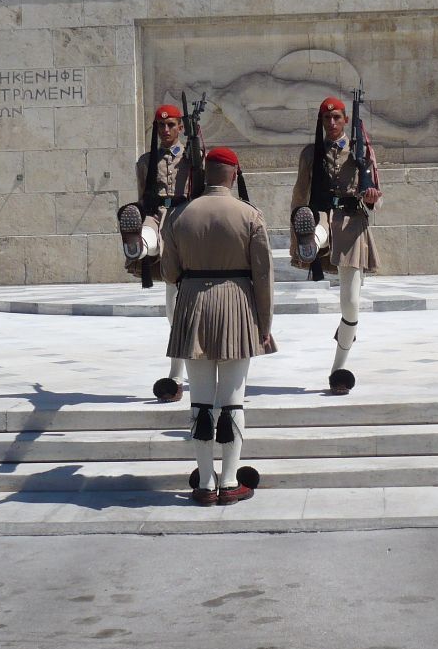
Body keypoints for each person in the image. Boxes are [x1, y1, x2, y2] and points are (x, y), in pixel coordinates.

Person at [160, 147, 276, 506]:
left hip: (193, 304)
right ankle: (229, 482)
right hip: (236, 303)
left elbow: (168, 272)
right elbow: (263, 275)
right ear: (234, 174)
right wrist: (265, 322)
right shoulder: (250, 215)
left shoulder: (179, 216)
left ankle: (205, 483)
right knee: (233, 402)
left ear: (203, 174)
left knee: (200, 402)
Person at [288, 96, 381, 396]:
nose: (332, 123)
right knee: (318, 229)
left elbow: (377, 195)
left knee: (350, 304)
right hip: (323, 215)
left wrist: (372, 198)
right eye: (327, 119)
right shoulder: (310, 153)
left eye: (337, 118)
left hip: (352, 222)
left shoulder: (361, 151)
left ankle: (338, 367)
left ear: (345, 121)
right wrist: (294, 240)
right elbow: (300, 194)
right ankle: (310, 244)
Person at [118, 103, 194, 401]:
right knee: (172, 309)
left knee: (176, 309)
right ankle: (139, 245)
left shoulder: (193, 158)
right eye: (161, 126)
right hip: (156, 219)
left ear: (180, 128)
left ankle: (177, 376)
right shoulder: (145, 162)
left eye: (171, 125)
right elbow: (143, 199)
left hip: (185, 222)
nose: (165, 130)